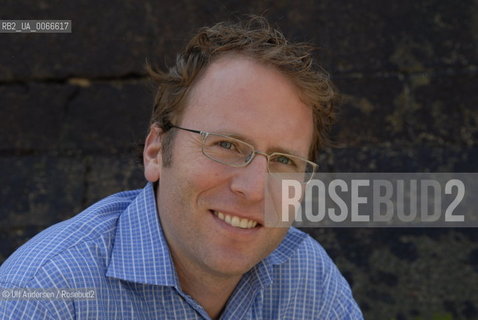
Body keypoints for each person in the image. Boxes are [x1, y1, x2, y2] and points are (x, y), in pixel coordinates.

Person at [0, 16, 363, 319]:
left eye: (284, 160)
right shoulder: (45, 295)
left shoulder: (307, 278)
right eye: (227, 145)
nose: (253, 189)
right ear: (156, 151)